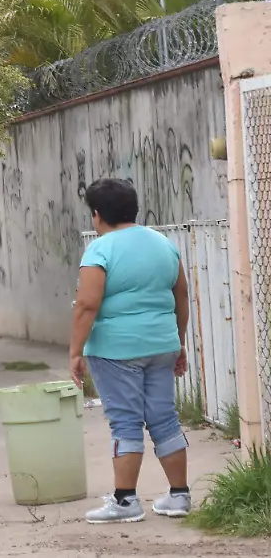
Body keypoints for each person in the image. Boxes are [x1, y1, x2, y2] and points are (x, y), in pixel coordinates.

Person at [70, 178, 191, 524]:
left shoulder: (100, 249)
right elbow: (180, 295)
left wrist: (75, 352)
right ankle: (179, 496)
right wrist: (177, 341)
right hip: (161, 344)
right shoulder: (164, 244)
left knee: (125, 421)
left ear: (97, 215)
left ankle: (124, 502)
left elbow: (87, 305)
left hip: (116, 349)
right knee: (164, 417)